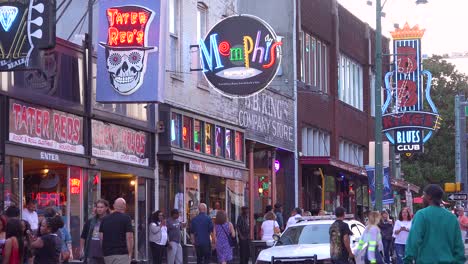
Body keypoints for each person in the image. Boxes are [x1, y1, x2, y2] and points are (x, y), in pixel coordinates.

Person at [404, 184, 465, 264]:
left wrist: (408, 260)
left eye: (424, 195)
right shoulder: (452, 218)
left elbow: (413, 240)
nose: (422, 198)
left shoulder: (421, 215)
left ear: (429, 197)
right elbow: (459, 246)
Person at [99, 198, 134, 264]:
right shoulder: (126, 218)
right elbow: (129, 237)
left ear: (114, 206)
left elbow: (101, 238)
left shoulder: (104, 219)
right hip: (121, 255)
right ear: (124, 206)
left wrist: (104, 251)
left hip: (108, 255)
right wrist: (130, 254)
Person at [81, 199, 109, 264]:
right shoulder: (90, 221)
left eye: (101, 207)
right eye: (98, 207)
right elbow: (83, 236)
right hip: (92, 252)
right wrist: (82, 249)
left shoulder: (110, 220)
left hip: (106, 252)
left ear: (106, 208)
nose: (99, 209)